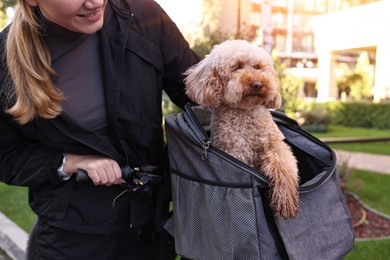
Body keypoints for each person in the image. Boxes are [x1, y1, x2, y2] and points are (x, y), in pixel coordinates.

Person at [0, 0, 200, 259]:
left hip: (151, 229)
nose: (94, 3)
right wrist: (67, 162)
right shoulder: (4, 60)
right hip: (72, 238)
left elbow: (201, 95)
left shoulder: (141, 14)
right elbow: (5, 155)